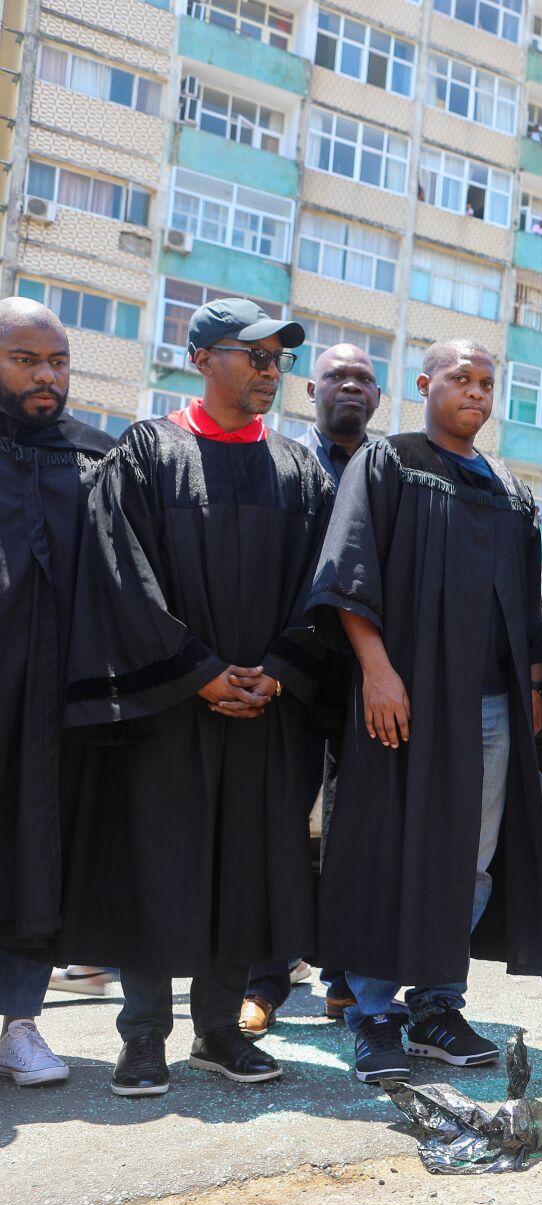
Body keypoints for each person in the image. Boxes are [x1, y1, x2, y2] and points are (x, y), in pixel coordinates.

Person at [61, 298, 332, 1097]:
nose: (270, 367)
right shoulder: (146, 453)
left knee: (241, 867)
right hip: (168, 707)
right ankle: (143, 1036)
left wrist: (279, 667)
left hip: (265, 707)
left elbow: (324, 582)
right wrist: (198, 669)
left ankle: (219, 1030)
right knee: (158, 865)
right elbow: (120, 577)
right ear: (202, 357)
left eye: (278, 356)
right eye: (253, 354)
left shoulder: (300, 469)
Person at [309, 341, 542, 1083]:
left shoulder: (507, 485)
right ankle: (375, 1012)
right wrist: (376, 671)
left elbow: (524, 590)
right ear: (425, 384)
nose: (476, 392)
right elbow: (349, 572)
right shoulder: (387, 462)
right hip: (407, 698)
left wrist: (535, 681)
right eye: (461, 379)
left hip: (489, 703)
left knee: (470, 860)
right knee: (389, 848)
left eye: (487, 381)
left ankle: (438, 1004)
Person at [239, 342, 379, 1035]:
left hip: (367, 682)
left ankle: (346, 979)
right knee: (280, 828)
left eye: (363, 378)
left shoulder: (391, 471)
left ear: (379, 396)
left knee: (358, 832)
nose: (350, 387)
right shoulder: (282, 465)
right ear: (312, 390)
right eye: (336, 377)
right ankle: (263, 980)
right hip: (293, 678)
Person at [0, 299, 114, 1087]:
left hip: (55, 705)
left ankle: (20, 1022)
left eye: (59, 360)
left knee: (37, 855)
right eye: (26, 359)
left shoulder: (96, 459)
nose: (47, 376)